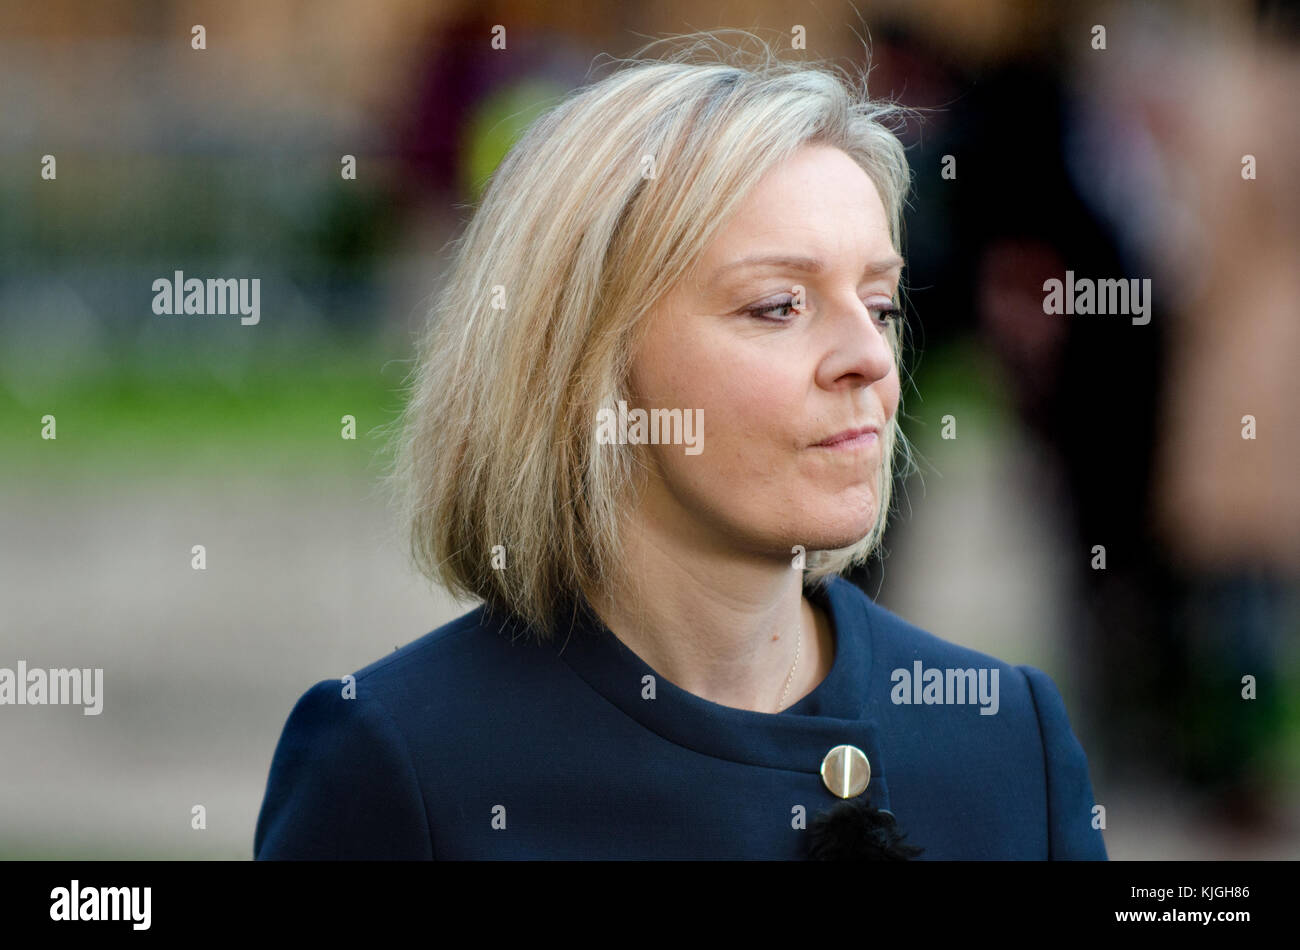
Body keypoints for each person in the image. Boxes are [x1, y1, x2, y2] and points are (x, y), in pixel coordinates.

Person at [254, 37, 1107, 860]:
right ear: (585, 357)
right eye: (778, 305)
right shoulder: (399, 759)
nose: (873, 358)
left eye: (880, 304)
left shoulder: (1004, 734)